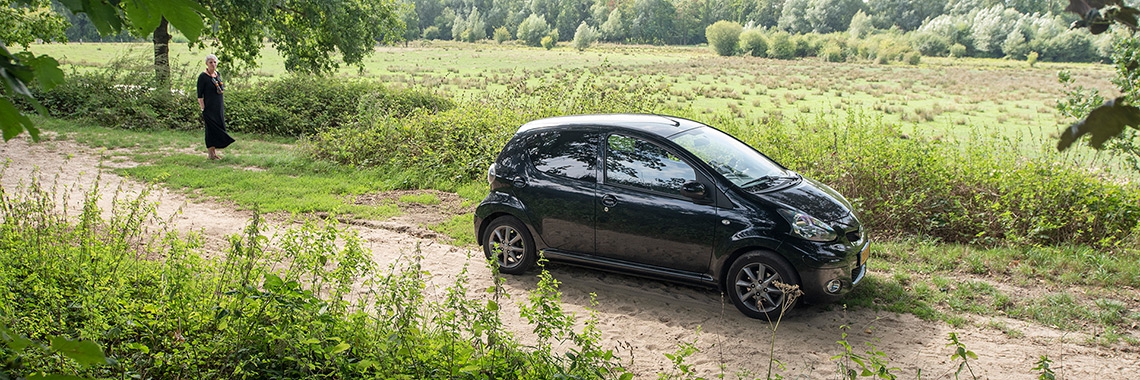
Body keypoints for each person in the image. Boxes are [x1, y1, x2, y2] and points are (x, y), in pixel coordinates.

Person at [197, 54, 235, 160]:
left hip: (218, 107)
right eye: (210, 62)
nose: (213, 64)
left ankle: (214, 152)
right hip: (209, 108)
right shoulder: (203, 77)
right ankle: (210, 153)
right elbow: (200, 96)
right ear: (206, 64)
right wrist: (203, 109)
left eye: (214, 62)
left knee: (218, 127)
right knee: (210, 129)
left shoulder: (217, 74)